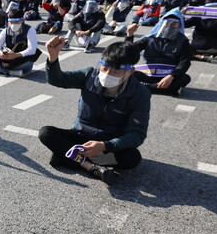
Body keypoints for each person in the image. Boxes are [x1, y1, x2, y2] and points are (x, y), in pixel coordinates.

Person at [38, 36, 150, 185]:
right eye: (105, 68)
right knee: (46, 133)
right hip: (81, 135)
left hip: (108, 143)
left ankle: (69, 155)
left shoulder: (140, 94)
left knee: (132, 158)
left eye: (115, 72)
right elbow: (58, 80)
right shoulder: (89, 75)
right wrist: (52, 57)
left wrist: (105, 145)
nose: (107, 74)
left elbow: (137, 134)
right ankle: (90, 166)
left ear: (130, 72)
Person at [126, 10, 192, 96]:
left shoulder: (183, 41)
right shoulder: (150, 38)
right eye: (167, 23)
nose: (169, 27)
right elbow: (129, 51)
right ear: (161, 23)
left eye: (173, 24)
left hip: (167, 76)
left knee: (185, 78)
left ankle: (144, 88)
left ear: (179, 25)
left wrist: (171, 76)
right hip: (147, 74)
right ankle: (164, 89)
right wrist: (129, 35)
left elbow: (185, 62)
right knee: (128, 72)